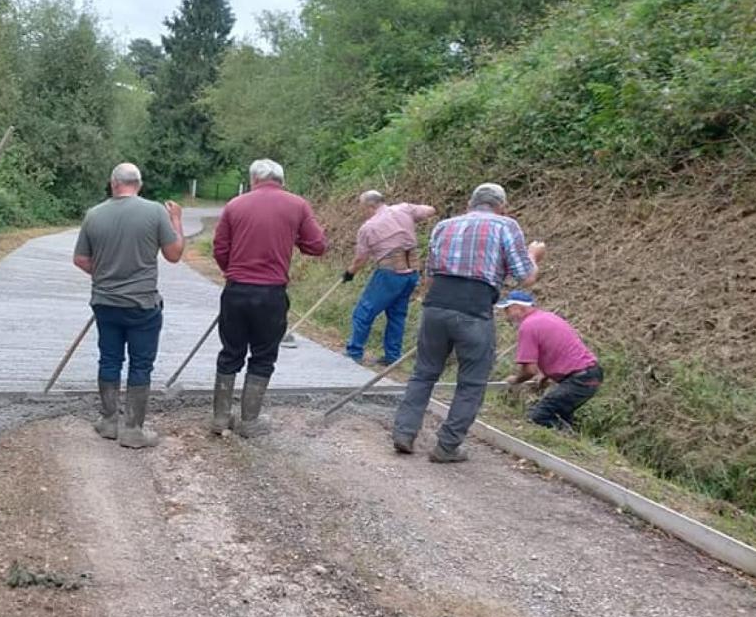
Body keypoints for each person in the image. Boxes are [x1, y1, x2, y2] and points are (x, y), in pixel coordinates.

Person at [392, 182, 545, 463]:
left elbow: (430, 273)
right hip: (474, 308)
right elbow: (526, 277)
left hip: (436, 305)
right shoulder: (505, 225)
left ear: (470, 204)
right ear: (502, 207)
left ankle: (404, 432)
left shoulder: (444, 226)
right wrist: (534, 256)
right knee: (472, 382)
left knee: (424, 373)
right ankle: (447, 446)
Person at [211, 158, 328, 437]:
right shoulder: (297, 205)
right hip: (271, 293)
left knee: (230, 353)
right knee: (263, 356)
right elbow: (317, 246)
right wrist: (294, 235)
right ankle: (249, 422)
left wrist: (233, 272)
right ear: (282, 180)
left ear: (253, 180)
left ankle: (220, 417)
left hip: (236, 290)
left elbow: (219, 248)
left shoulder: (235, 205)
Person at [73, 162, 185, 449]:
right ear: (139, 184)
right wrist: (176, 220)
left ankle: (109, 421)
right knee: (141, 364)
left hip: (105, 302)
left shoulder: (93, 215)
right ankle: (134, 429)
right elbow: (174, 254)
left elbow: (81, 260)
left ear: (113, 184)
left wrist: (105, 274)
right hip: (142, 304)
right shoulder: (155, 211)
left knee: (109, 359)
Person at [343, 190, 436, 365]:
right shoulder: (404, 209)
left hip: (389, 273)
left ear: (370, 206)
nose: (362, 211)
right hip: (412, 273)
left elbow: (360, 259)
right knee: (397, 314)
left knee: (364, 311)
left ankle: (354, 351)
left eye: (362, 207)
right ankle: (392, 356)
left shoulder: (368, 227)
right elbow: (430, 210)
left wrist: (350, 273)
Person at [498, 291, 603, 430]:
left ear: (518, 307)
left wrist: (515, 380)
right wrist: (546, 375)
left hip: (579, 380)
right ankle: (568, 439)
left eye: (507, 309)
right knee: (558, 414)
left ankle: (568, 440)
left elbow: (530, 370)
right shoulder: (547, 317)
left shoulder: (528, 326)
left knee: (538, 416)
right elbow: (558, 348)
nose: (506, 315)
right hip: (589, 374)